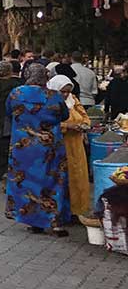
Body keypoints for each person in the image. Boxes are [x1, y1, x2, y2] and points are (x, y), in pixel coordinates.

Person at [5, 64, 71, 235]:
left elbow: (8, 111)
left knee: (27, 183)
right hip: (49, 147)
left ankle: (33, 220)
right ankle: (55, 222)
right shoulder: (54, 96)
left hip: (23, 148)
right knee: (53, 182)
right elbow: (65, 115)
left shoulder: (16, 93)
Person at [50, 75, 93, 217]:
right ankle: (60, 211)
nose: (65, 94)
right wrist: (67, 126)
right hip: (60, 146)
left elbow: (85, 117)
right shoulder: (50, 102)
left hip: (76, 146)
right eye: (62, 91)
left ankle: (76, 211)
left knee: (77, 178)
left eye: (67, 91)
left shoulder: (73, 100)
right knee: (61, 179)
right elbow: (48, 124)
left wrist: (83, 125)